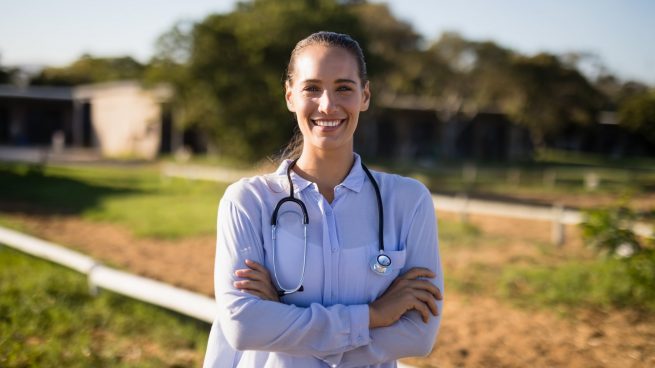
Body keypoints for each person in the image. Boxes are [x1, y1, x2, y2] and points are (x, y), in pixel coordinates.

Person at [204, 31, 443, 368]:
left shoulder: (408, 201)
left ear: (365, 95)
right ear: (290, 96)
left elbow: (419, 334)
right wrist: (374, 315)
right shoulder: (248, 202)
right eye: (312, 88)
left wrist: (282, 319)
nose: (328, 105)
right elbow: (243, 327)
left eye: (344, 87)